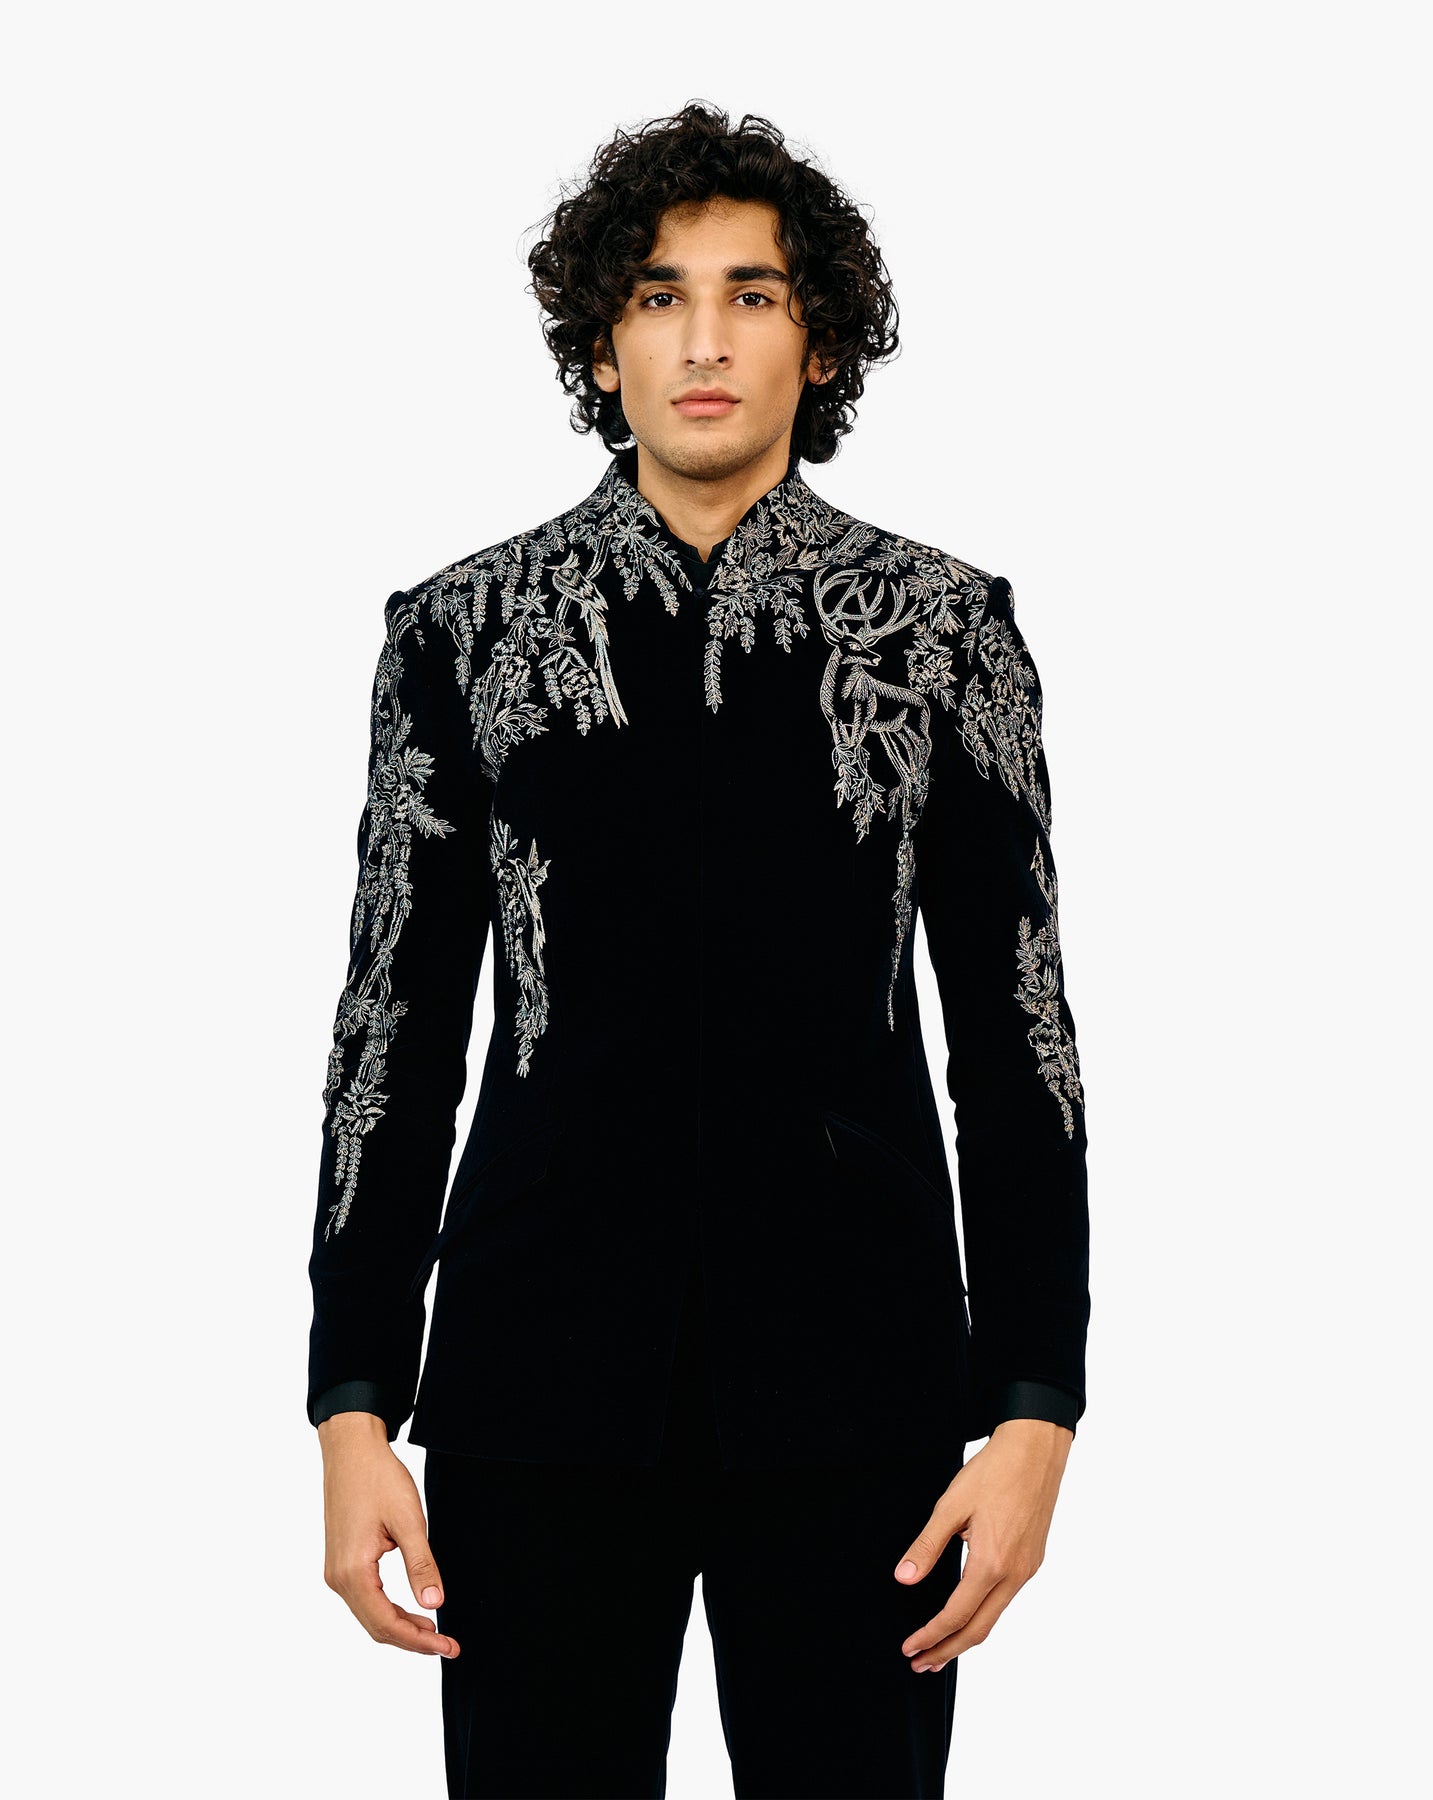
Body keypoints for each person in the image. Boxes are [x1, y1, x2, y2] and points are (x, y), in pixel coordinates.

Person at [308, 101, 1090, 1800]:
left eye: (753, 294)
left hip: (858, 1392)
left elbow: (1018, 1032)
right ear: (603, 347)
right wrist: (352, 1397)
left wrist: (1035, 1401)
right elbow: (392, 1030)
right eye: (659, 297)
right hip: (534, 1384)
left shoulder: (940, 633)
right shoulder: (463, 634)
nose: (705, 340)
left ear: (822, 343)